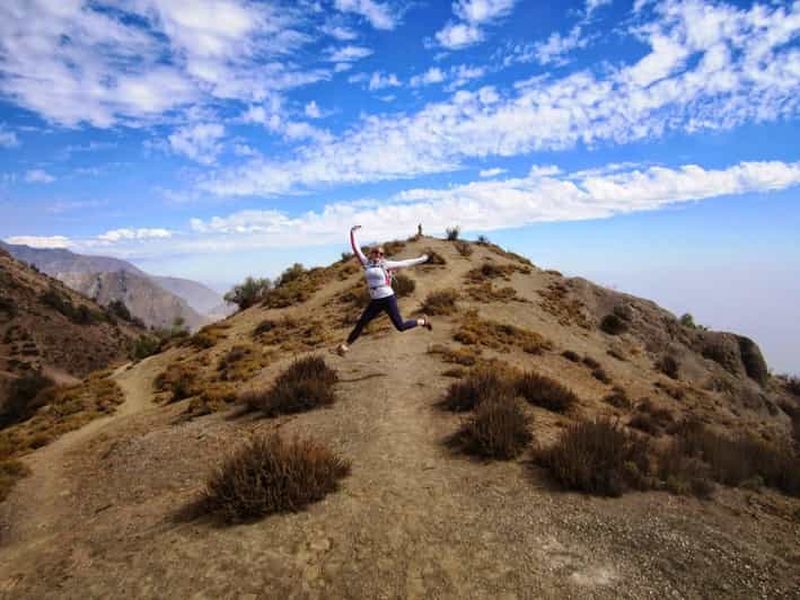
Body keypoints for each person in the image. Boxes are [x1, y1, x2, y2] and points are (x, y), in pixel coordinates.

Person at [337, 225, 431, 355]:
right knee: (362, 322)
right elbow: (356, 249)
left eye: (381, 254)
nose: (378, 255)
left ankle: (422, 321)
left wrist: (422, 259)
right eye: (376, 252)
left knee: (400, 327)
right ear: (371, 253)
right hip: (375, 300)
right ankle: (345, 346)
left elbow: (405, 263)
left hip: (388, 298)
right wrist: (352, 232)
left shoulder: (386, 264)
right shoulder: (366, 263)